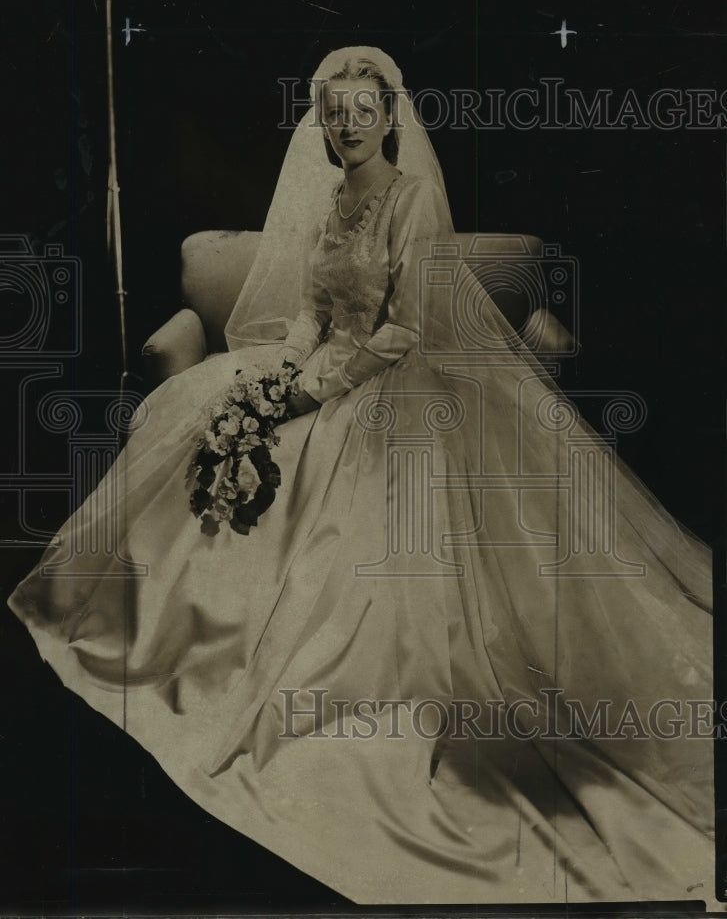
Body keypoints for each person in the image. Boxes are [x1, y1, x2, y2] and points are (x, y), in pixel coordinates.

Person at [7, 46, 718, 906]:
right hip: (323, 371)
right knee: (199, 422)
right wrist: (274, 379)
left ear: (389, 118)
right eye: (333, 113)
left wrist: (310, 394)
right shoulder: (334, 200)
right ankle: (183, 637)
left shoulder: (410, 198)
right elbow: (309, 312)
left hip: (395, 384)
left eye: (361, 112)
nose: (347, 127)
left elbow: (403, 331)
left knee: (353, 514)